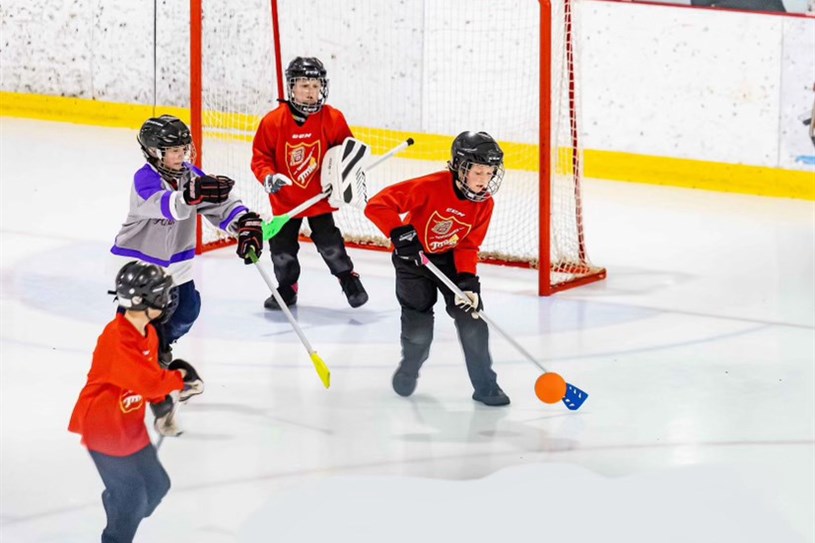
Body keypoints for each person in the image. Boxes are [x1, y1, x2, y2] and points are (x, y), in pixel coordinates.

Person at [364, 131, 510, 406]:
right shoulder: (431, 185)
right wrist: (400, 233)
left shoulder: (484, 204)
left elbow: (468, 244)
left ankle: (486, 386)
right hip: (412, 262)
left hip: (450, 261)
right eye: (478, 172)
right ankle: (410, 366)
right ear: (460, 166)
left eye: (489, 173)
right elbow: (378, 205)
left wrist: (467, 280)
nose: (484, 180)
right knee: (419, 326)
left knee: (473, 320)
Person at [69, 261, 205, 543]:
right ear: (151, 299)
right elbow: (144, 381)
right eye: (164, 295)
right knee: (132, 500)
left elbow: (151, 375)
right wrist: (179, 379)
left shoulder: (150, 333)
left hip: (128, 422)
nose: (169, 301)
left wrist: (160, 405)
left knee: (156, 487)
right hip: (103, 428)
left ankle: (116, 502)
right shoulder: (116, 338)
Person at [111, 114, 264, 365]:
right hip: (141, 262)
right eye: (173, 150)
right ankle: (124, 355)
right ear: (153, 151)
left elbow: (218, 203)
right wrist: (189, 196)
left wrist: (243, 221)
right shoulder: (144, 179)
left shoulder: (189, 176)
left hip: (177, 260)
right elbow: (166, 205)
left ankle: (158, 346)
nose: (181, 155)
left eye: (183, 148)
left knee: (187, 310)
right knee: (138, 312)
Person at [251, 56, 368, 310]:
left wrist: (342, 180)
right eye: (304, 86)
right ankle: (287, 288)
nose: (311, 92)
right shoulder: (273, 121)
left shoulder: (333, 118)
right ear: (291, 87)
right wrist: (268, 177)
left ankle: (348, 278)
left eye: (315, 86)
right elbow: (260, 158)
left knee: (330, 246)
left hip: (320, 199)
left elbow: (346, 154)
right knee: (282, 252)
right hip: (285, 202)